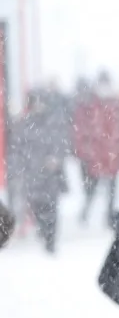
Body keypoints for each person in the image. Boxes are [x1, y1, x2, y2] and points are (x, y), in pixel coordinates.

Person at [10, 90, 70, 253]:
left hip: (50, 174)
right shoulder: (23, 124)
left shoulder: (54, 123)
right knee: (36, 206)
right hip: (32, 173)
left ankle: (51, 240)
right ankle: (44, 232)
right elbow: (16, 149)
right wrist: (18, 169)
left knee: (52, 208)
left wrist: (56, 158)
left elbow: (63, 143)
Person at [72, 72, 119, 227]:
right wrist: (84, 149)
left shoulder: (117, 105)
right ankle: (86, 213)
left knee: (111, 188)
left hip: (111, 154)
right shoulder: (90, 105)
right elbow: (81, 129)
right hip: (97, 154)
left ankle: (108, 217)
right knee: (92, 187)